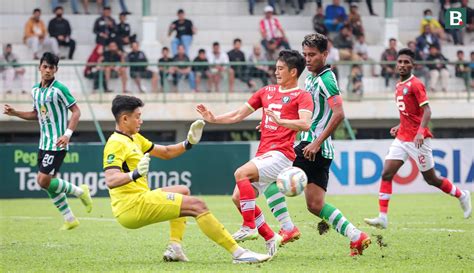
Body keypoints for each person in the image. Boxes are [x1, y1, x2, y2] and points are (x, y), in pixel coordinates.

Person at [103, 95, 271, 264]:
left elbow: (166, 152)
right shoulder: (116, 143)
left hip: (139, 199)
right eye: (137, 116)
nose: (141, 121)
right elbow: (111, 179)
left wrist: (188, 143)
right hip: (132, 206)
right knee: (197, 205)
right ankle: (239, 254)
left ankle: (175, 248)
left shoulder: (134, 137)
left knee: (182, 191)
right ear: (125, 119)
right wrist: (135, 173)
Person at [196, 50, 314, 255]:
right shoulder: (266, 91)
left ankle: (249, 226)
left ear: (293, 72)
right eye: (276, 68)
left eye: (280, 68)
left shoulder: (302, 96)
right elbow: (237, 115)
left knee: (240, 173)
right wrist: (213, 118)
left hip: (282, 155)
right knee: (237, 197)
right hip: (264, 153)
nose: (276, 72)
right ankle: (270, 237)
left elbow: (305, 124)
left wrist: (281, 121)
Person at [364, 48, 472, 229]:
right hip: (402, 138)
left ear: (413, 65)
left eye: (407, 62)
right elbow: (410, 113)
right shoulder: (398, 86)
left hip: (418, 140)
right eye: (400, 62)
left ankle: (462, 195)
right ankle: (383, 217)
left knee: (431, 179)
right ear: (396, 64)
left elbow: (427, 110)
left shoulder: (416, 84)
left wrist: (421, 132)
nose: (403, 65)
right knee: (386, 173)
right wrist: (400, 126)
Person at [297, 33, 370, 256]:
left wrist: (316, 143)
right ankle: (357, 236)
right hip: (318, 149)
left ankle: (279, 229)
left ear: (325, 54)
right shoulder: (310, 77)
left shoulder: (326, 79)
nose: (307, 59)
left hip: (312, 146)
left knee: (265, 174)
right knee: (315, 205)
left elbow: (339, 114)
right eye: (305, 55)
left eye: (312, 55)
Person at [3, 52, 92, 230]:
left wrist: (67, 134)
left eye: (52, 67)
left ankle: (81, 192)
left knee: (43, 181)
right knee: (49, 184)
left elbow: (76, 111)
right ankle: (69, 218)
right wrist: (15, 113)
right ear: (39, 67)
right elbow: (36, 114)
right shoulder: (35, 90)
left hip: (57, 143)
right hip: (43, 143)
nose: (48, 70)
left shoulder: (60, 88)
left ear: (56, 70)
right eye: (45, 66)